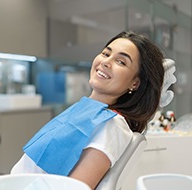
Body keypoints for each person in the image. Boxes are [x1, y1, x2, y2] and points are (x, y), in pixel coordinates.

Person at [11, 31, 165, 189]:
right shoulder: (85, 109)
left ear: (135, 83)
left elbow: (76, 188)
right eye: (106, 53)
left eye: (121, 62)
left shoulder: (112, 125)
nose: (106, 62)